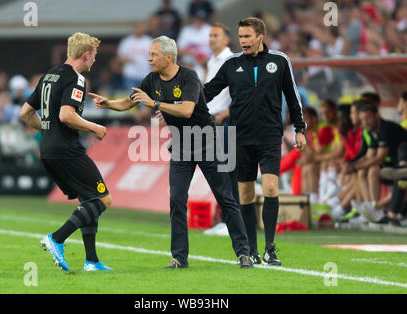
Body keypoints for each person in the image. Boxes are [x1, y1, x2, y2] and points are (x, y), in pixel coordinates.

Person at [90, 35, 253, 269]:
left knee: (225, 197)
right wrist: (109, 103)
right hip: (181, 146)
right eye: (148, 55)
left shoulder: (189, 76)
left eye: (153, 55)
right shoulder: (152, 79)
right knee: (176, 199)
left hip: (206, 142)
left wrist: (154, 104)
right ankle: (179, 258)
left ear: (169, 56)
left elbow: (187, 110)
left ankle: (243, 253)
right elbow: (130, 102)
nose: (148, 59)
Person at [203, 17, 307, 266]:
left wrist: (300, 129)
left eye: (247, 37)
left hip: (270, 135)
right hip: (240, 136)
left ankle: (270, 248)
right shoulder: (232, 64)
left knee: (270, 188)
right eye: (240, 37)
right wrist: (181, 105)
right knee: (245, 193)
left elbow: (292, 97)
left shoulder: (280, 61)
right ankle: (251, 248)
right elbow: (208, 91)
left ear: (260, 36)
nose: (243, 41)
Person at [20, 32, 113, 272]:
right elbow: (66, 115)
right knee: (103, 199)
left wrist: (48, 128)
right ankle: (57, 238)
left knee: (88, 199)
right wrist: (94, 127)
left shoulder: (49, 75)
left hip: (48, 149)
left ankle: (91, 261)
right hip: (66, 149)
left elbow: (25, 114)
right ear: (85, 54)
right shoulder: (77, 79)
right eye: (94, 55)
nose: (94, 60)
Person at [202, 23, 235, 237]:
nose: (212, 38)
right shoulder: (212, 61)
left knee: (228, 172)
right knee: (219, 172)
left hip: (225, 123)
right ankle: (225, 218)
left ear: (226, 39)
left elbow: (241, 91)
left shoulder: (231, 61)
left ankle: (230, 220)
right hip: (210, 121)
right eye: (210, 35)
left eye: (216, 35)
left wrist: (228, 112)